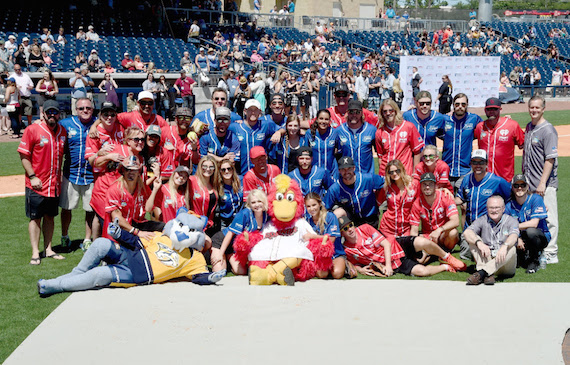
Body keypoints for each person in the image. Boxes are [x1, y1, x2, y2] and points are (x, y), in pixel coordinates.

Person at [18, 100, 67, 265]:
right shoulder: (32, 129)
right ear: (43, 113)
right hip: (36, 184)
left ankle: (48, 249)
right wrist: (32, 176)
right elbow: (24, 155)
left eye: (55, 112)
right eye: (49, 112)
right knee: (35, 218)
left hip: (54, 185)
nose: (52, 115)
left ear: (59, 114)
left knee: (50, 217)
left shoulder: (62, 131)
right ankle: (35, 252)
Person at [339, 215, 463, 277]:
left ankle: (447, 256)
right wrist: (360, 269)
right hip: (394, 263)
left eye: (351, 225)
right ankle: (445, 266)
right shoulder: (347, 248)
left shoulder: (364, 228)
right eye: (345, 228)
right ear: (341, 233)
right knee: (422, 271)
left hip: (396, 246)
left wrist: (387, 266)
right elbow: (352, 263)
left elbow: (386, 244)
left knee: (422, 242)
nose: (350, 229)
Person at [522, 95, 558, 264]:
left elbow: (549, 159)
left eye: (537, 107)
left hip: (544, 183)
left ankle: (551, 252)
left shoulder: (548, 130)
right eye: (532, 107)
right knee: (534, 218)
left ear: (544, 108)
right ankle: (536, 249)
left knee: (549, 218)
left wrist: (543, 182)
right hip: (530, 183)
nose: (534, 110)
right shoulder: (529, 127)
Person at [59, 98, 97, 250]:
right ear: (76, 110)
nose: (85, 110)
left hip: (92, 175)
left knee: (90, 210)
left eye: (88, 108)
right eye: (81, 108)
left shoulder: (98, 123)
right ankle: (64, 236)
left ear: (92, 109)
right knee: (66, 207)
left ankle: (87, 239)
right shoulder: (66, 124)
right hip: (71, 173)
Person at [463, 195, 519, 285]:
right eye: (491, 208)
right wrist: (479, 243)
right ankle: (488, 274)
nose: (494, 210)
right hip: (488, 258)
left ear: (503, 209)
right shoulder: (482, 220)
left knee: (511, 247)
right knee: (474, 240)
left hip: (504, 264)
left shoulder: (512, 221)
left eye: (497, 207)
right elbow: (467, 232)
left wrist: (505, 246)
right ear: (487, 208)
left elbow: (514, 236)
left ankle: (482, 273)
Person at [211, 189, 268, 274]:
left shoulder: (267, 215)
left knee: (241, 271)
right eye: (253, 202)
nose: (257, 205)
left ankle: (228, 258)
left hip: (235, 248)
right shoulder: (244, 214)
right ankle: (221, 255)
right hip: (222, 241)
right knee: (219, 271)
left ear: (264, 201)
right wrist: (220, 254)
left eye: (259, 201)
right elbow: (230, 234)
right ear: (249, 204)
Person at [456, 149, 511, 235]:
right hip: (470, 227)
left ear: (486, 164)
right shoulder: (466, 179)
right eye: (474, 162)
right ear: (471, 163)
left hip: (490, 228)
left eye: (481, 162)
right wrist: (444, 197)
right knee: (466, 247)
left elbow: (510, 197)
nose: (478, 165)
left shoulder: (497, 181)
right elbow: (460, 199)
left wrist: (503, 216)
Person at [505, 174, 550, 274]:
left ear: (527, 187)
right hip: (520, 236)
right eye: (516, 186)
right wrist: (517, 238)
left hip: (539, 236)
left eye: (523, 185)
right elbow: (505, 227)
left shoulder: (535, 199)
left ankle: (535, 260)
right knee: (518, 263)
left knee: (530, 231)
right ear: (512, 188)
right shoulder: (509, 206)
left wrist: (514, 228)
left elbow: (534, 223)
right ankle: (525, 256)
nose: (519, 188)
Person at [474, 97, 524, 183]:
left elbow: (523, 144)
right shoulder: (480, 127)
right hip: (484, 178)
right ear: (485, 110)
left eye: (495, 109)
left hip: (505, 178)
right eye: (489, 109)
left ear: (500, 109)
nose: (491, 111)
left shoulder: (512, 125)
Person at [325, 156, 384, 228]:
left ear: (354, 168)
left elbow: (386, 182)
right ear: (339, 171)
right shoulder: (335, 188)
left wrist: (380, 200)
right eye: (343, 169)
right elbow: (325, 207)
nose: (346, 172)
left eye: (349, 168)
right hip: (350, 222)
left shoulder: (367, 178)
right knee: (337, 213)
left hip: (370, 218)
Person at [441, 93, 483, 192]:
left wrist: (503, 119)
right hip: (447, 169)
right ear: (453, 105)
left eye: (463, 104)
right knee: (447, 202)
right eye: (457, 104)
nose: (460, 107)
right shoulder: (445, 119)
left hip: (465, 170)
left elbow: (488, 126)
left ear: (467, 105)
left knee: (465, 204)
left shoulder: (474, 119)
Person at [229, 99, 281, 176]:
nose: (253, 113)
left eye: (255, 110)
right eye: (250, 110)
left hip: (260, 173)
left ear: (259, 112)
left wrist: (278, 132)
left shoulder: (266, 125)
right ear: (245, 111)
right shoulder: (235, 126)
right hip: (241, 172)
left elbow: (282, 128)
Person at [304, 193, 350, 279]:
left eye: (314, 205)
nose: (312, 209)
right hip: (319, 255)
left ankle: (347, 265)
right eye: (308, 206)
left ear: (319, 204)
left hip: (335, 253)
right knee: (322, 275)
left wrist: (313, 236)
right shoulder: (307, 220)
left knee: (337, 274)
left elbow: (331, 239)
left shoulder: (330, 217)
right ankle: (326, 268)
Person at [410, 173, 460, 251]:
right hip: (428, 236)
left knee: (453, 233)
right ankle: (435, 252)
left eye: (430, 184)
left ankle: (445, 251)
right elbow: (414, 230)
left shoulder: (445, 196)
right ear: (420, 186)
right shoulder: (417, 203)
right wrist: (413, 244)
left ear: (435, 185)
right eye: (424, 184)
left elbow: (455, 221)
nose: (427, 187)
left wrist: (439, 230)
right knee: (418, 244)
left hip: (443, 234)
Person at [375, 99, 424, 177]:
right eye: (385, 111)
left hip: (404, 172)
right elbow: (380, 156)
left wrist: (415, 173)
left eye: (391, 110)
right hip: (387, 174)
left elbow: (417, 152)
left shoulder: (408, 127)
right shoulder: (379, 132)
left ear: (396, 111)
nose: (388, 113)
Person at [336, 100, 377, 175]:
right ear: (347, 113)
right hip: (346, 177)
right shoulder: (339, 131)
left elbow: (380, 153)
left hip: (366, 176)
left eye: (357, 112)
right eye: (351, 112)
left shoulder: (371, 130)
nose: (354, 115)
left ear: (361, 113)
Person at [305, 109, 341, 182]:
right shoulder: (309, 133)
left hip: (332, 172)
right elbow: (305, 153)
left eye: (326, 119)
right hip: (314, 173)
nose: (323, 122)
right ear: (317, 119)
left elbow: (339, 151)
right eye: (321, 118)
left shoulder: (334, 133)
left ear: (330, 121)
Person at [188, 156, 220, 237]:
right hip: (194, 224)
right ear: (200, 167)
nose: (208, 169)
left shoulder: (215, 184)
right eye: (205, 166)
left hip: (210, 225)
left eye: (211, 167)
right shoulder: (192, 180)